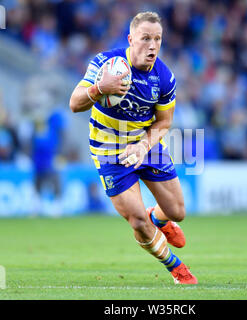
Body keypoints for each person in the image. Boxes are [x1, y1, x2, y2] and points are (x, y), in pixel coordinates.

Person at [69, 11, 197, 285]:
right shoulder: (106, 64)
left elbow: (164, 122)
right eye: (145, 38)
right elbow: (74, 103)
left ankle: (158, 217)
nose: (152, 45)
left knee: (177, 212)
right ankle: (176, 268)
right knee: (138, 221)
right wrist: (99, 89)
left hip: (145, 144)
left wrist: (143, 146)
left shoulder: (164, 78)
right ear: (131, 39)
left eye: (158, 39)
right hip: (109, 149)